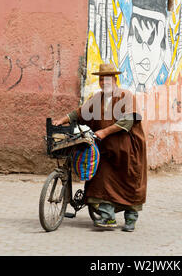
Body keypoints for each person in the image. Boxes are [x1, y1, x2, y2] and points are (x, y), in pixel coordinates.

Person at [53, 63, 147, 232]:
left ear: (115, 79)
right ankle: (108, 217)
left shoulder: (126, 96)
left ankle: (131, 219)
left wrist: (105, 131)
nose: (105, 82)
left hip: (128, 149)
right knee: (100, 180)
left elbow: (128, 120)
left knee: (130, 182)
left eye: (108, 78)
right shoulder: (98, 98)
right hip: (105, 149)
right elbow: (79, 113)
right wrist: (62, 120)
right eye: (102, 79)